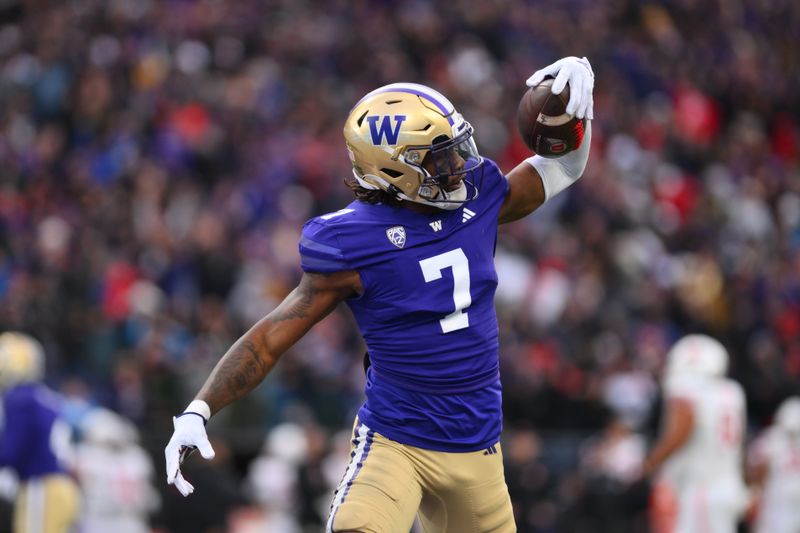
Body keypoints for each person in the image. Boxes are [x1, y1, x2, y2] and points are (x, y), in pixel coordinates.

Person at [165, 55, 595, 532]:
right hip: (397, 442)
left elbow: (563, 169)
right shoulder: (352, 242)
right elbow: (270, 337)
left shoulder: (478, 194)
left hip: (478, 448)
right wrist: (200, 407)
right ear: (393, 170)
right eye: (439, 157)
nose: (457, 166)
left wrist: (580, 113)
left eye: (456, 150)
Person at [641, 334, 749, 533]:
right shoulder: (733, 392)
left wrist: (649, 463)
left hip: (703, 488)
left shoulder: (685, 387)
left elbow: (681, 431)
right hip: (729, 484)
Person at [0, 331, 80, 533]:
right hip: (64, 487)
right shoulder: (45, 396)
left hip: (40, 487)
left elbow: (10, 452)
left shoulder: (18, 398)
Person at [74, 407, 160, 533]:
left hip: (101, 521)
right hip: (133, 521)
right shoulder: (138, 457)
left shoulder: (87, 456)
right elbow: (152, 500)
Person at [747, 396, 800, 533]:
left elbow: (757, 468)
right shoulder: (774, 438)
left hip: (777, 497)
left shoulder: (771, 438)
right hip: (783, 497)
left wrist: (757, 491)